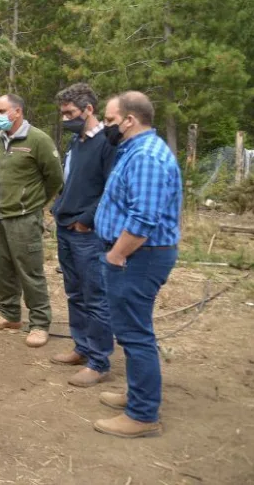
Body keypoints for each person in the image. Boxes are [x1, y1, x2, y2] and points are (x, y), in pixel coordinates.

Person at [93, 91, 182, 439]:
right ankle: (136, 393)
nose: (106, 126)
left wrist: (117, 255)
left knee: (134, 333)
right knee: (131, 328)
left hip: (137, 257)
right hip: (134, 256)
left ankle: (143, 414)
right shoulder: (132, 151)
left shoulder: (145, 155)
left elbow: (144, 218)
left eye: (111, 120)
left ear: (130, 120)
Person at [0, 93, 63, 348]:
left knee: (30, 271)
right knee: (1, 268)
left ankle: (39, 323)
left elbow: (55, 178)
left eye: (2, 110)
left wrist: (34, 203)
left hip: (24, 218)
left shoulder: (38, 139)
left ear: (17, 112)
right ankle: (9, 315)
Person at [49, 83, 117, 387]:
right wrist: (59, 208)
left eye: (70, 113)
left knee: (95, 296)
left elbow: (110, 190)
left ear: (89, 109)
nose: (65, 119)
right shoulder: (76, 143)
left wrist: (86, 221)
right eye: (63, 114)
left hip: (86, 233)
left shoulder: (106, 143)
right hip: (65, 227)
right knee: (75, 292)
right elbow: (71, 180)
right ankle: (82, 347)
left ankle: (99, 361)